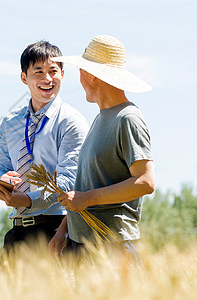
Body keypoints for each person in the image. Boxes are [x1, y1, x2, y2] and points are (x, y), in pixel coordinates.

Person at [49, 35, 155, 258]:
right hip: (80, 243)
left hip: (111, 247)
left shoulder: (128, 118)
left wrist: (87, 199)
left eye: (80, 71)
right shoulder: (100, 119)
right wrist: (63, 231)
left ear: (92, 75)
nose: (79, 78)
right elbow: (86, 185)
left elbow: (145, 182)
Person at [0, 41, 89, 259]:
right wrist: (2, 181)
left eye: (53, 71)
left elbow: (68, 182)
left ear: (63, 74)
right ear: (24, 77)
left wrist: (28, 201)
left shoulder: (71, 122)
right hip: (17, 231)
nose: (47, 79)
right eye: (39, 72)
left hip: (57, 231)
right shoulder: (10, 123)